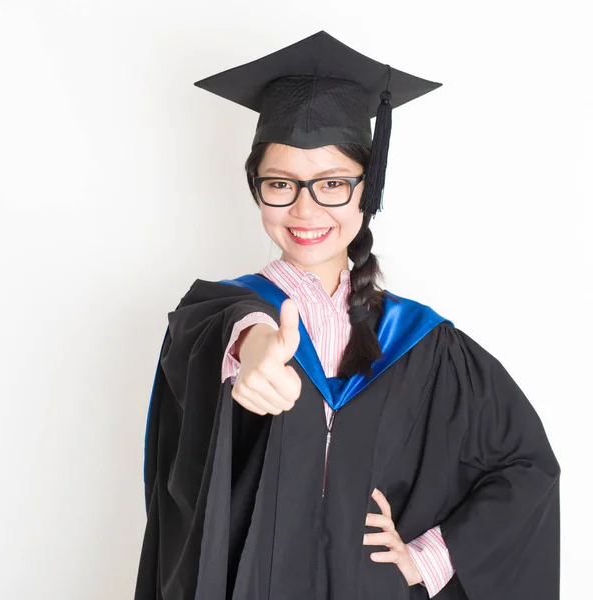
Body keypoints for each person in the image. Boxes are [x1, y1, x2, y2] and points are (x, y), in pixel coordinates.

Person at [134, 31, 561, 600]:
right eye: (280, 184)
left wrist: (428, 557)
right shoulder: (220, 313)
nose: (305, 208)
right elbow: (224, 333)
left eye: (333, 184)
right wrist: (254, 346)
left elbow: (526, 466)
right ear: (256, 190)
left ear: (368, 188)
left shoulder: (426, 344)